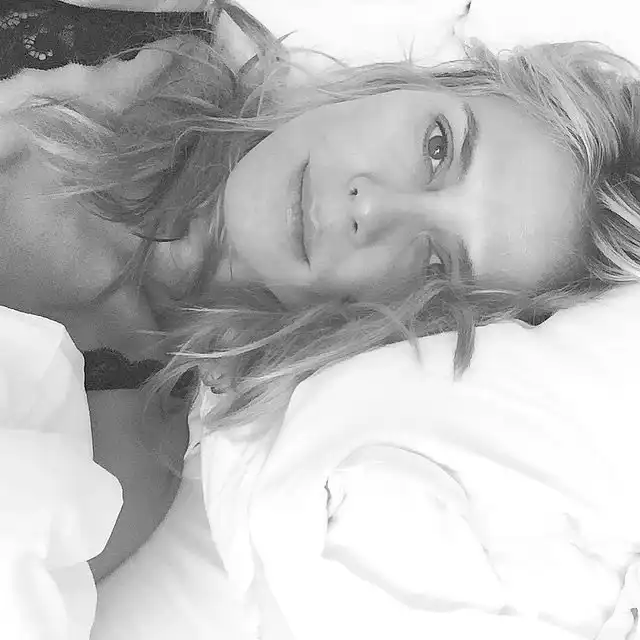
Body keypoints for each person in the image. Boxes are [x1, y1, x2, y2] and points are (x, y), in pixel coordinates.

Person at [2, 0, 640, 582]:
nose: (374, 205)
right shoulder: (135, 14)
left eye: (436, 264)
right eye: (437, 147)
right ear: (402, 85)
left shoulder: (110, 469)